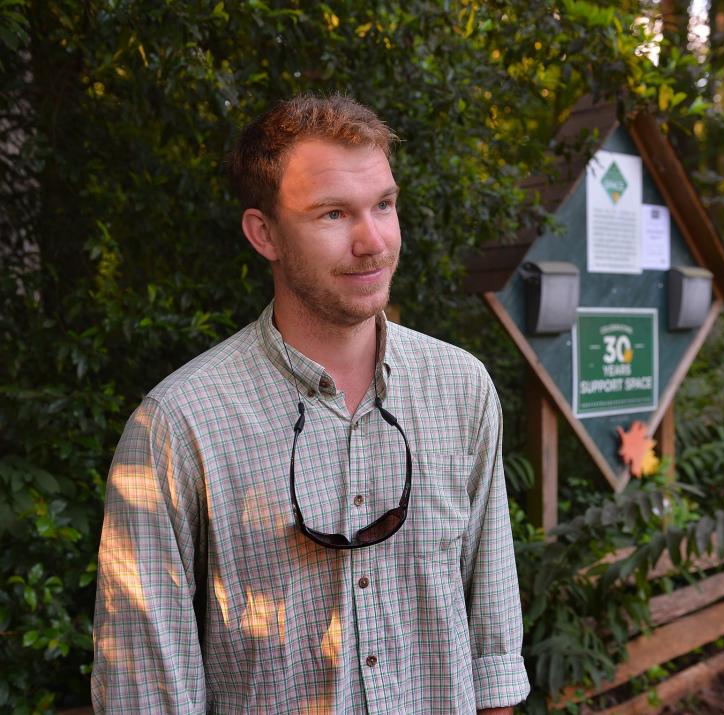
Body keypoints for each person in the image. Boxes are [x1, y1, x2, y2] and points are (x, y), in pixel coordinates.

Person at [92, 94, 530, 714]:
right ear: (263, 233)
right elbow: (146, 691)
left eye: (384, 204)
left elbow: (492, 643)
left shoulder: (461, 388)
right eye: (332, 214)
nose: (372, 241)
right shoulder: (180, 426)